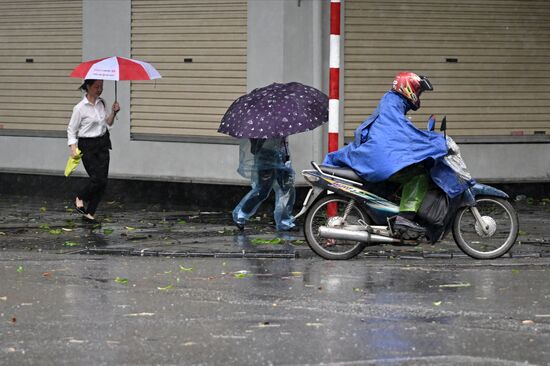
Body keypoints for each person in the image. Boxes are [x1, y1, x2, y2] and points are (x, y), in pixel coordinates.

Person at [323, 72, 465, 236]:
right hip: (378, 158)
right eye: (418, 91)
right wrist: (436, 141)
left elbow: (402, 131)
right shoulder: (393, 103)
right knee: (419, 175)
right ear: (408, 89)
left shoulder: (393, 101)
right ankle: (405, 218)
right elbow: (401, 132)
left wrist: (425, 139)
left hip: (375, 154)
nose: (418, 96)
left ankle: (397, 213)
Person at [67, 79, 120, 222]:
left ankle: (90, 213)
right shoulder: (79, 108)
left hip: (102, 143)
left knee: (103, 181)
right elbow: (71, 130)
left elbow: (107, 124)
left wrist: (113, 113)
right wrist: (73, 148)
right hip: (87, 145)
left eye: (101, 87)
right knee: (96, 179)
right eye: (97, 87)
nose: (99, 89)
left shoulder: (101, 103)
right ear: (88, 87)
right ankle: (80, 197)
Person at [233, 137, 296, 231]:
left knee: (286, 189)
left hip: (281, 156)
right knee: (262, 191)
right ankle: (241, 214)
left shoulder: (280, 125)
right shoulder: (262, 128)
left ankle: (284, 222)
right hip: (266, 155)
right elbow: (255, 146)